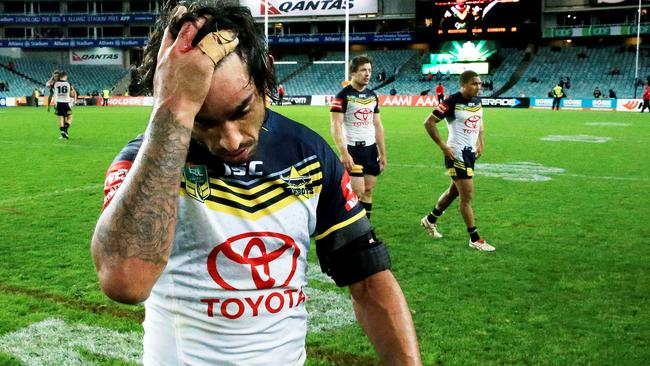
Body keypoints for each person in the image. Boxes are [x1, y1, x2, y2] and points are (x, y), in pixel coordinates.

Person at [90, 3, 421, 366]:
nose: (231, 140)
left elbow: (368, 277)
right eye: (203, 121)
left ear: (266, 76)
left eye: (241, 110)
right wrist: (175, 111)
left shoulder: (307, 154)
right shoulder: (145, 162)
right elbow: (125, 281)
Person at [420, 70, 495, 252]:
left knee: (454, 192)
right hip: (456, 154)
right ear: (463, 85)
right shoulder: (451, 102)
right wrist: (443, 146)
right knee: (467, 196)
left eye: (479, 83)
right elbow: (428, 123)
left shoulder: (477, 101)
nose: (479, 87)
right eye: (474, 84)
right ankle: (475, 238)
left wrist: (481, 143)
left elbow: (479, 123)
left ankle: (430, 220)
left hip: (470, 154)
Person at [330, 55, 387, 220]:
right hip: (352, 150)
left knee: (368, 190)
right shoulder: (342, 95)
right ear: (353, 73)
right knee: (357, 191)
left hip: (370, 149)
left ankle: (365, 229)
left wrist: (382, 153)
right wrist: (343, 151)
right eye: (363, 70)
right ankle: (348, 228)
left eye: (369, 70)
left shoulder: (372, 95)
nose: (367, 74)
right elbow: (335, 125)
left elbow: (377, 125)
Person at [52, 71, 76, 139]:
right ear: (65, 76)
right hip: (65, 103)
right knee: (70, 117)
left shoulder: (56, 83)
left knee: (61, 119)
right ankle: (65, 130)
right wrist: (73, 92)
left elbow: (50, 86)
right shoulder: (68, 83)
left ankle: (63, 133)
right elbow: (71, 94)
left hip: (58, 103)